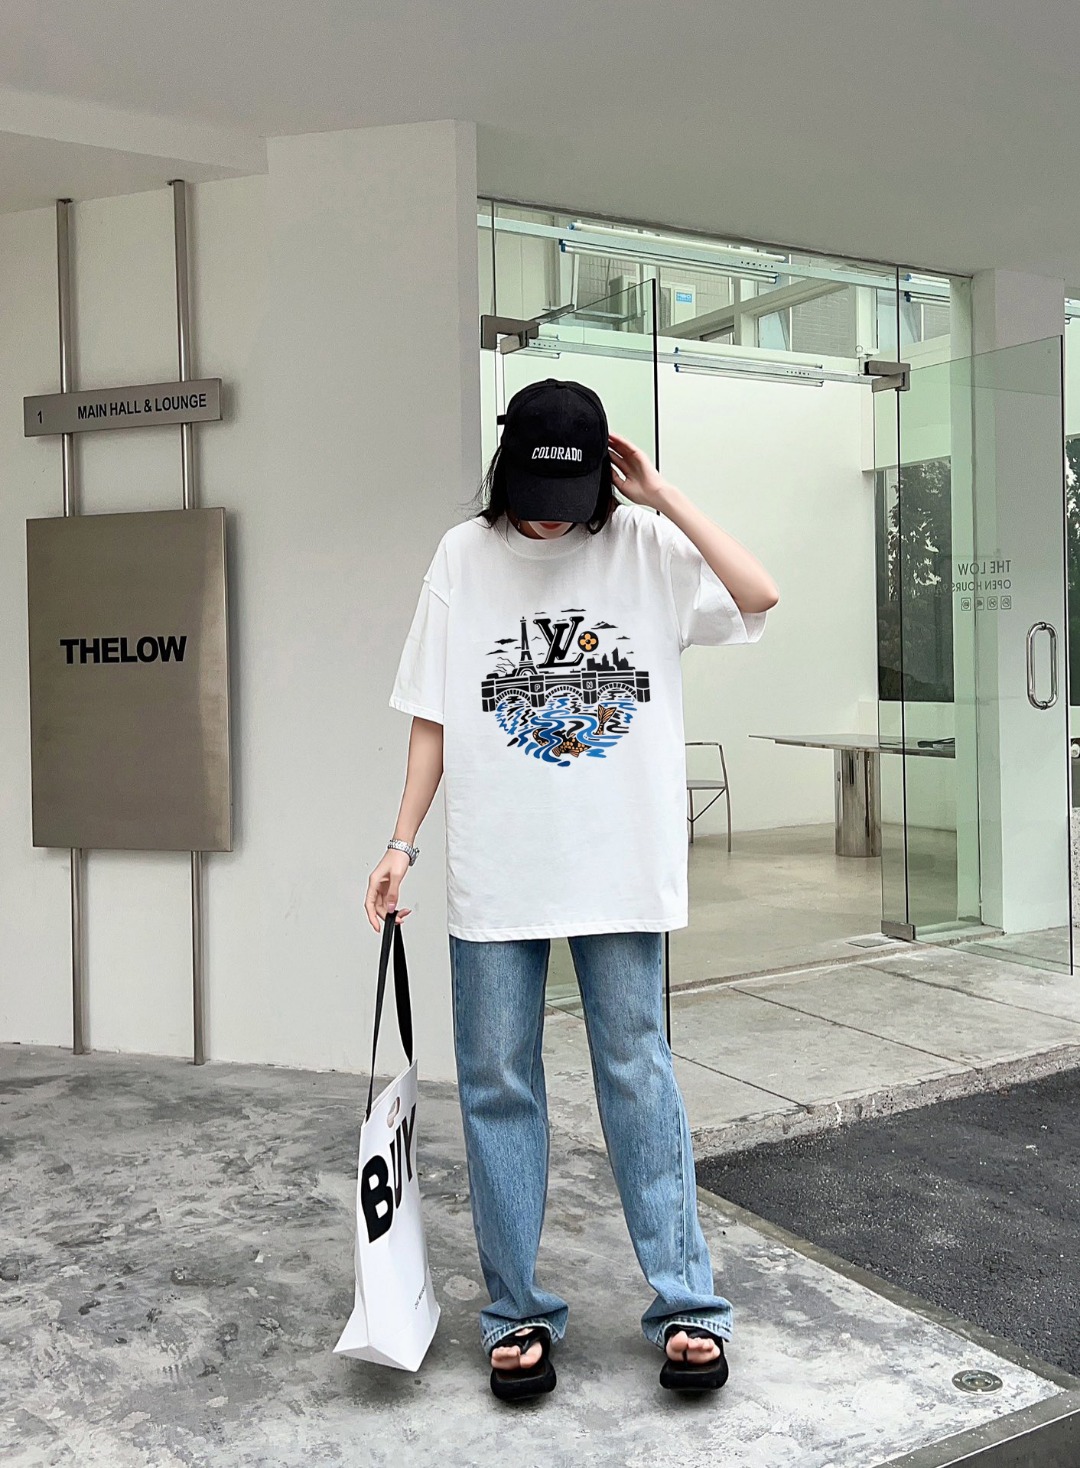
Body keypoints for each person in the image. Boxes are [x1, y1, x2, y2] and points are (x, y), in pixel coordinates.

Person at [365, 378, 778, 1402]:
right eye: (535, 494)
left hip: (620, 867)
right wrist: (400, 843)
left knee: (638, 1075)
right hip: (499, 865)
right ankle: (516, 1311)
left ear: (602, 478)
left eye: (573, 494)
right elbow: (433, 715)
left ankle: (688, 1304)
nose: (551, 517)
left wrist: (661, 493)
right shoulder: (463, 556)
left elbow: (758, 593)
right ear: (505, 472)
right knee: (497, 1084)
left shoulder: (643, 546)